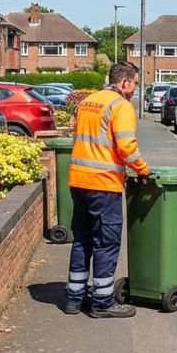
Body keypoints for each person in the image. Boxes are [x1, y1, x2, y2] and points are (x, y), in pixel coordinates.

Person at [66, 61, 151, 318]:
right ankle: (102, 302)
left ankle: (74, 299)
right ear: (124, 83)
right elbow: (126, 147)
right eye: (134, 83)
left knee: (82, 238)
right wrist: (144, 171)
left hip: (78, 181)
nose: (135, 88)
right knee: (106, 241)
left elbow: (76, 132)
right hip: (103, 183)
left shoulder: (87, 102)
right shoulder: (121, 106)